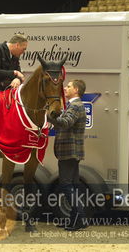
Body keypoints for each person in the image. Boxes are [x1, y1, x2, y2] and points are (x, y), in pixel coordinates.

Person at [47, 79, 87, 231]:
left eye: (68, 86)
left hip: (69, 152)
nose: (65, 88)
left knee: (66, 185)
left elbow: (65, 122)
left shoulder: (75, 106)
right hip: (72, 152)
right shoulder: (74, 106)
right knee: (73, 186)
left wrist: (49, 116)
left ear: (76, 90)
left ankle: (81, 219)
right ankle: (74, 220)